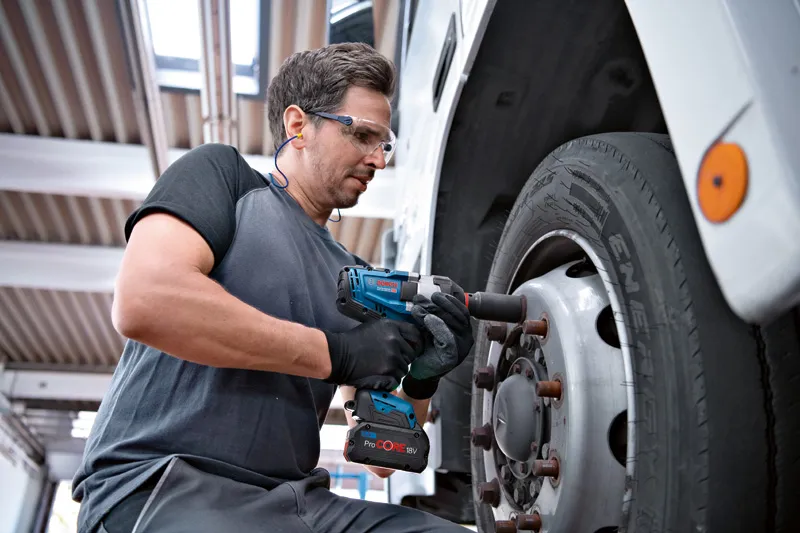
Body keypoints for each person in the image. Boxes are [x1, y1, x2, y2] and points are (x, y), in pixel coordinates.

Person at [71, 42, 475, 533]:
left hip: (298, 504)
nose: (378, 159)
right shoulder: (223, 178)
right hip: (162, 487)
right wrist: (337, 354)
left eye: (384, 143)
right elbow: (146, 301)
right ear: (298, 125)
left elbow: (381, 455)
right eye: (363, 135)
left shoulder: (357, 279)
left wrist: (423, 377)